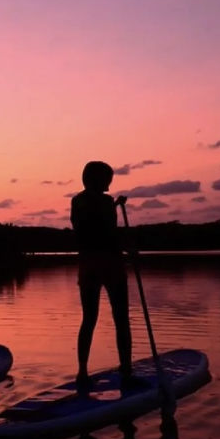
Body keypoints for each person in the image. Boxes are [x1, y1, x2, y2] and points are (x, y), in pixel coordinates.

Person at [70, 160, 138, 392]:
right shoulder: (105, 202)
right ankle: (126, 370)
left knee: (89, 319)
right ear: (99, 178)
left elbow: (89, 226)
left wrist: (115, 206)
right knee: (121, 319)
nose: (110, 182)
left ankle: (82, 371)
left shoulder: (77, 201)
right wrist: (128, 250)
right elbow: (107, 232)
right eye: (108, 177)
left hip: (87, 265)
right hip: (110, 264)